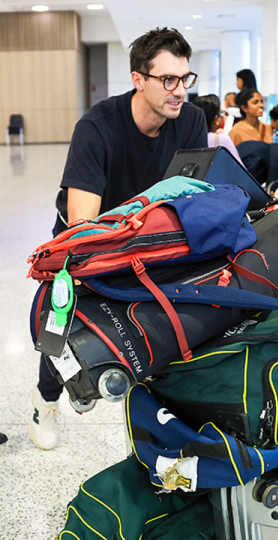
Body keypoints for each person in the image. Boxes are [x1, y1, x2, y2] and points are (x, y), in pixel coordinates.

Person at [30, 27, 206, 450]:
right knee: (64, 321)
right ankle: (45, 399)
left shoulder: (192, 120)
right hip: (89, 243)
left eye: (185, 78)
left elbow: (196, 195)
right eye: (168, 80)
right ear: (138, 79)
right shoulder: (97, 126)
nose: (179, 90)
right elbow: (81, 224)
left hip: (153, 239)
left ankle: (156, 417)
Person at [195, 94, 243, 163]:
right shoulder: (221, 139)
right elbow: (239, 169)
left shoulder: (190, 138)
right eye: (221, 114)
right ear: (216, 119)